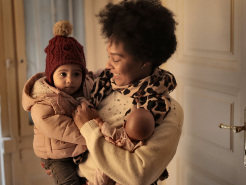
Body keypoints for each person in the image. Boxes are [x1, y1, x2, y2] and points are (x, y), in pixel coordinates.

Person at [72, 0, 184, 185]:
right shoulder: (102, 87)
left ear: (144, 61)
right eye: (108, 55)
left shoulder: (168, 111)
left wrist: (90, 127)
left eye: (115, 59)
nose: (108, 65)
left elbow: (138, 175)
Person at [22, 20, 95, 185]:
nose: (70, 80)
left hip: (76, 149)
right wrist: (94, 135)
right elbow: (65, 129)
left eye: (76, 74)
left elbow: (95, 76)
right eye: (63, 74)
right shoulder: (43, 103)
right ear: (51, 75)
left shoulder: (86, 86)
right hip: (55, 156)